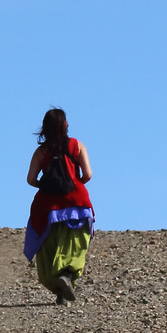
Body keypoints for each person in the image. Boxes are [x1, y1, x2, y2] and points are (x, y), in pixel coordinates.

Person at [24, 108, 94, 304]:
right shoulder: (77, 146)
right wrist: (74, 184)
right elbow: (87, 174)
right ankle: (68, 277)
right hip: (76, 203)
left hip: (47, 207)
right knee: (75, 243)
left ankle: (58, 288)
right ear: (65, 126)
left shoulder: (41, 152)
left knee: (49, 246)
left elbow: (30, 179)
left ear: (44, 129)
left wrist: (47, 186)